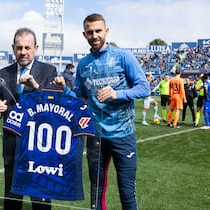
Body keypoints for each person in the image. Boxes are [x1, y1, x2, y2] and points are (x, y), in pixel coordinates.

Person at [53, 13, 151, 210]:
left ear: (106, 31)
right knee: (96, 191)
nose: (95, 35)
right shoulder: (84, 64)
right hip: (96, 135)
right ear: (84, 34)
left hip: (123, 135)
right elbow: (80, 98)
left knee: (126, 190)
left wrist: (118, 94)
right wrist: (63, 89)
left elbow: (144, 88)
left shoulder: (123, 56)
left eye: (98, 31)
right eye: (90, 32)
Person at [0, 27, 57, 210]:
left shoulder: (48, 71)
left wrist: (35, 85)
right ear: (13, 48)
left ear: (36, 48)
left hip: (40, 145)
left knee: (40, 197)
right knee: (12, 195)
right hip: (12, 142)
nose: (23, 52)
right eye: (19, 47)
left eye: (27, 48)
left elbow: (52, 108)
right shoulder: (4, 73)